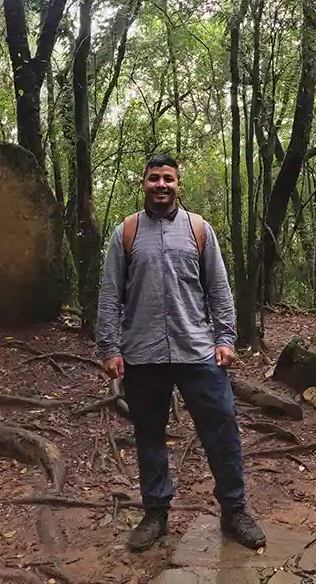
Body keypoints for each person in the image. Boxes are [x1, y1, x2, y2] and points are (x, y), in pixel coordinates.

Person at [96, 152, 266, 553]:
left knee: (222, 430)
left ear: (178, 185)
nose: (161, 185)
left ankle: (234, 511)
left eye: (168, 179)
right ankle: (155, 513)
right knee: (149, 436)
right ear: (144, 183)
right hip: (143, 354)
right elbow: (109, 295)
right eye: (154, 178)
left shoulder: (199, 230)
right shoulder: (127, 234)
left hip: (197, 352)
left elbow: (219, 290)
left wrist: (226, 339)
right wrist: (109, 348)